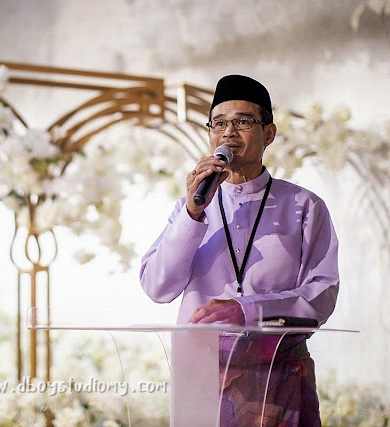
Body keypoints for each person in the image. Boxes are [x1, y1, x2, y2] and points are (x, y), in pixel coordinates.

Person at [139, 74, 339, 426]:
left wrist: (246, 309)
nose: (228, 132)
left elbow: (322, 294)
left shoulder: (304, 205)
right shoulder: (190, 207)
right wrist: (192, 215)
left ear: (269, 134)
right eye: (219, 124)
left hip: (278, 374)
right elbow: (158, 288)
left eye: (243, 122)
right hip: (203, 374)